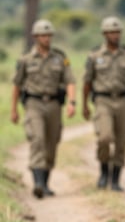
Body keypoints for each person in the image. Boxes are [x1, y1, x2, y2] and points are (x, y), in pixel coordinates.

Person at [10, 19, 77, 198]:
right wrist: (14, 110)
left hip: (54, 104)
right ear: (35, 37)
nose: (46, 38)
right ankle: (38, 183)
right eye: (43, 35)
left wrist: (72, 102)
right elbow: (17, 85)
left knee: (51, 142)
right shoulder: (26, 59)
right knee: (37, 138)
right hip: (34, 103)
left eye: (49, 35)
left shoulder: (60, 57)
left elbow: (70, 81)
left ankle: (45, 182)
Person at [82, 16, 125, 191]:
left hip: (123, 101)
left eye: (117, 32)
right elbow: (87, 81)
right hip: (102, 101)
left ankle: (115, 179)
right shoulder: (95, 56)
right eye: (111, 32)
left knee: (121, 140)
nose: (115, 35)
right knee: (104, 137)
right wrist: (84, 105)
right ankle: (103, 172)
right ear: (105, 34)